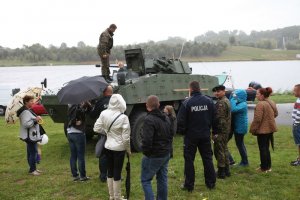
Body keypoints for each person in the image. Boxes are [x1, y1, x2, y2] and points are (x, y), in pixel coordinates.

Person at [177, 81, 216, 192]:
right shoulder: (209, 101)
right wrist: (214, 131)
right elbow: (215, 118)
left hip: (191, 136)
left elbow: (181, 121)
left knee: (189, 160)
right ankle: (211, 183)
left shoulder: (187, 102)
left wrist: (183, 132)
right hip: (205, 134)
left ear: (191, 89)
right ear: (200, 89)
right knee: (207, 159)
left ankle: (189, 185)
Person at [94, 94, 130, 200]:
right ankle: (117, 197)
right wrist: (128, 149)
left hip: (108, 146)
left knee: (110, 171)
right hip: (119, 148)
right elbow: (126, 137)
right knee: (117, 172)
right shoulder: (123, 117)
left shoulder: (103, 113)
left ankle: (111, 196)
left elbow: (96, 128)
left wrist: (106, 132)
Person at [141, 95, 173, 200]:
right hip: (165, 153)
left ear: (147, 106)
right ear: (159, 105)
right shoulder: (166, 118)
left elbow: (147, 140)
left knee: (146, 180)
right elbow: (171, 135)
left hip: (155, 155)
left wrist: (146, 152)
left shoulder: (149, 120)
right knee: (162, 178)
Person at [250, 87, 278, 172]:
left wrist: (253, 129)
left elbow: (257, 119)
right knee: (266, 148)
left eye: (257, 94)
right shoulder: (271, 102)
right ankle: (268, 167)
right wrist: (268, 119)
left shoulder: (260, 104)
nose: (256, 96)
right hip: (270, 129)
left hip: (262, 131)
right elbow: (276, 114)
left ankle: (264, 168)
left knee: (263, 149)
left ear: (262, 95)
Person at [90, 85, 113, 182]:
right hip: (115, 132)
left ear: (104, 92)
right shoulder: (117, 101)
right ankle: (114, 174)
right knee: (115, 153)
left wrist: (89, 107)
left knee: (103, 154)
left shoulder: (100, 102)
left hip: (103, 132)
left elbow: (93, 115)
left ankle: (103, 176)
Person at [17, 95, 43, 176]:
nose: (33, 102)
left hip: (30, 135)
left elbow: (30, 118)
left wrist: (36, 118)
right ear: (26, 102)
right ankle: (32, 170)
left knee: (30, 152)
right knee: (33, 152)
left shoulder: (27, 109)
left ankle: (33, 168)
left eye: (33, 101)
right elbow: (26, 124)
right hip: (30, 136)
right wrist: (36, 120)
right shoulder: (25, 112)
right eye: (31, 101)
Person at [66, 101, 91, 182]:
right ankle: (82, 176)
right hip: (78, 133)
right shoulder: (79, 108)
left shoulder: (70, 106)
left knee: (73, 155)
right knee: (80, 156)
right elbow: (88, 112)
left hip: (70, 132)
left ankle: (75, 175)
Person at [212, 85, 231, 179]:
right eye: (215, 91)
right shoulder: (226, 100)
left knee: (219, 151)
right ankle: (227, 170)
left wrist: (215, 132)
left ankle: (221, 172)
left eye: (218, 91)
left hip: (221, 130)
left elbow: (219, 119)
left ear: (224, 91)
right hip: (226, 130)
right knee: (224, 149)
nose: (216, 93)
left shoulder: (221, 103)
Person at [230, 89, 249, 166]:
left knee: (240, 144)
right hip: (239, 126)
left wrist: (232, 99)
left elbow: (233, 109)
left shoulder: (243, 104)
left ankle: (245, 162)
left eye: (236, 95)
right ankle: (245, 161)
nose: (235, 97)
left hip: (240, 128)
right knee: (241, 144)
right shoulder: (241, 103)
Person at [291, 84, 300, 166]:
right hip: (297, 124)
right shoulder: (298, 99)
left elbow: (299, 114)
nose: (293, 92)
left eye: (295, 90)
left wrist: (295, 122)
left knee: (299, 143)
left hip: (298, 124)